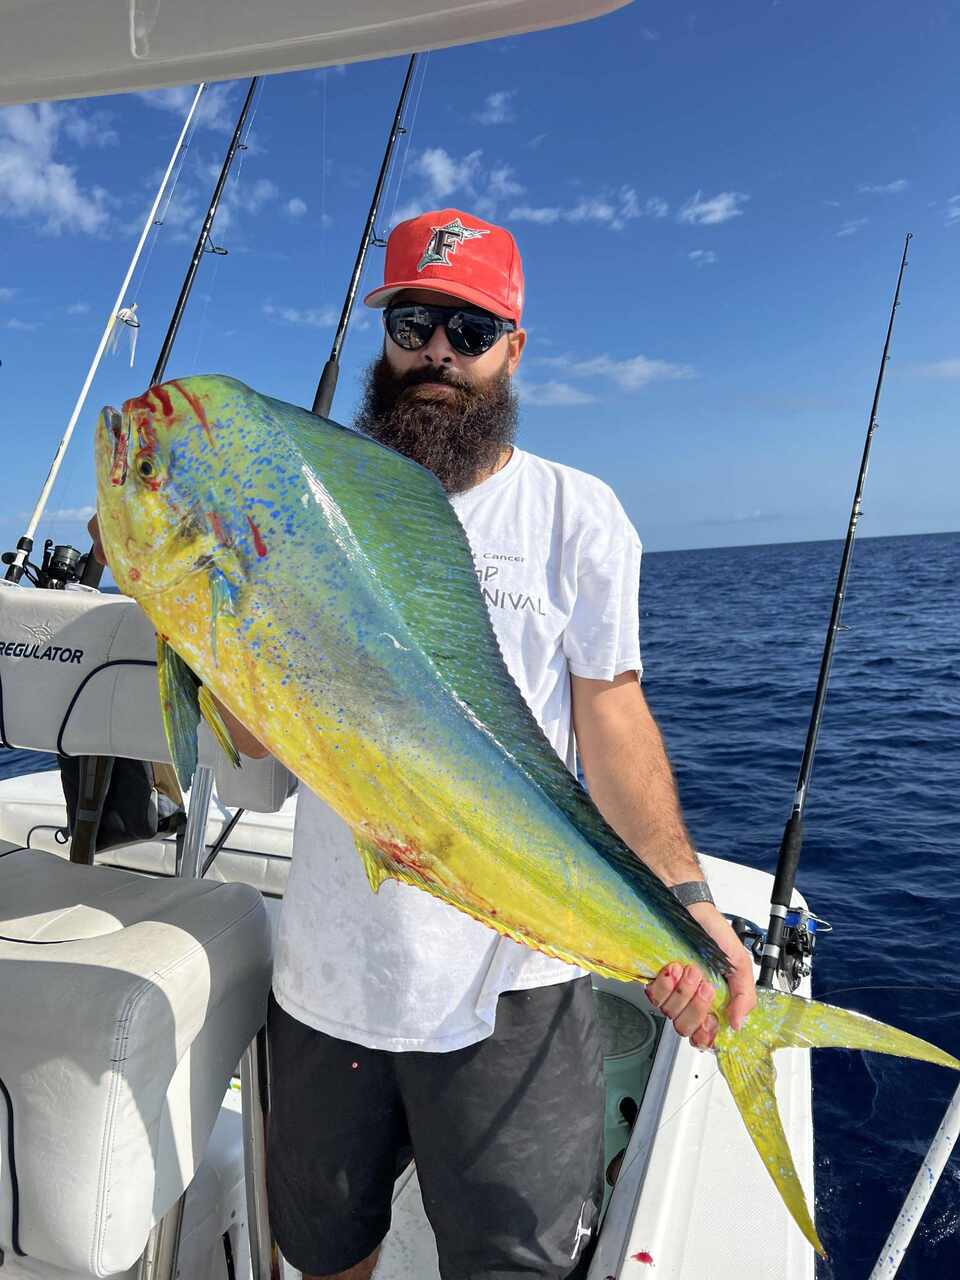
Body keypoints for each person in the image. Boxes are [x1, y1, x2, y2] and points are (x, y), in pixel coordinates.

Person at [90, 207, 756, 1280]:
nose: (437, 350)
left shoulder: (576, 515)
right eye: (413, 320)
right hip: (329, 982)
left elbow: (615, 717)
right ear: (383, 334)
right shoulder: (297, 510)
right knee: (325, 1256)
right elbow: (255, 774)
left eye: (469, 326)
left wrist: (683, 898)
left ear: (515, 347)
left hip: (517, 985)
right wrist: (193, 619)